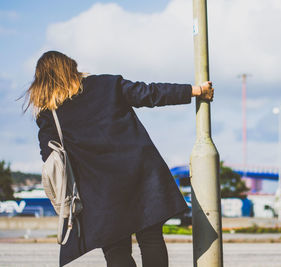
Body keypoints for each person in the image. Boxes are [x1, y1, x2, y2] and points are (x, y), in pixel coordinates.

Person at [24, 50, 214, 267]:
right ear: (71, 67)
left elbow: (49, 156)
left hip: (99, 191)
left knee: (116, 250)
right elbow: (149, 93)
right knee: (151, 239)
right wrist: (195, 90)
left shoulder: (50, 115)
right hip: (140, 175)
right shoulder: (107, 85)